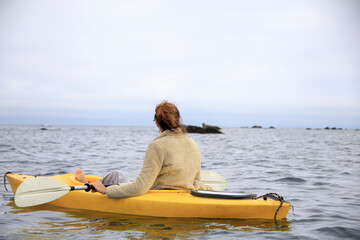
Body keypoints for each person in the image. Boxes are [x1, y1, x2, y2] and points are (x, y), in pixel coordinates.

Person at [75, 101, 213, 199]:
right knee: (122, 178)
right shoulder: (193, 144)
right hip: (182, 195)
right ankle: (90, 184)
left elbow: (140, 187)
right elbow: (196, 181)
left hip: (158, 196)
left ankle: (86, 186)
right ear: (178, 120)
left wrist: (106, 190)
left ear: (158, 124)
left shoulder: (157, 146)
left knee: (117, 175)